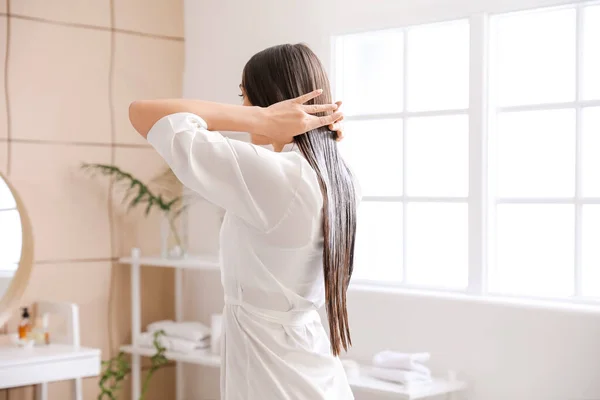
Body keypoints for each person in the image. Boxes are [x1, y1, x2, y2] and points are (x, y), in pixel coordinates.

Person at [129, 43, 358, 400]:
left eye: (247, 98)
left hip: (272, 371)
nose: (244, 109)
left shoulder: (279, 176)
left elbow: (143, 113)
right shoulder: (340, 176)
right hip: (312, 366)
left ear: (275, 101)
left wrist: (262, 120)